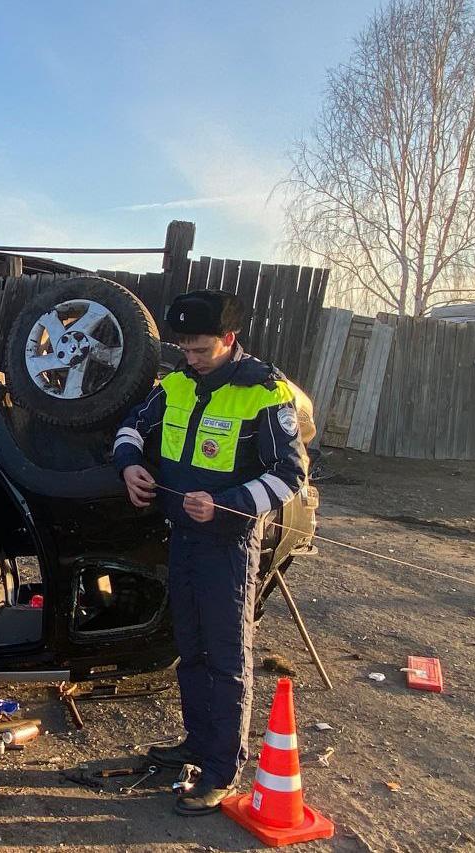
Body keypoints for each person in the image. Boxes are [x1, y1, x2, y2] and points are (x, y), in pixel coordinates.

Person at [112, 290, 308, 816]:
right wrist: (129, 464)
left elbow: (290, 474)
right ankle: (196, 745)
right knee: (190, 648)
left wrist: (227, 504)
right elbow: (132, 427)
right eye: (184, 349)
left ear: (229, 339)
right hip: (181, 541)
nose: (190, 359)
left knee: (226, 657)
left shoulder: (263, 392)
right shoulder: (175, 383)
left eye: (200, 350)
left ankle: (222, 770)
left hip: (229, 547)